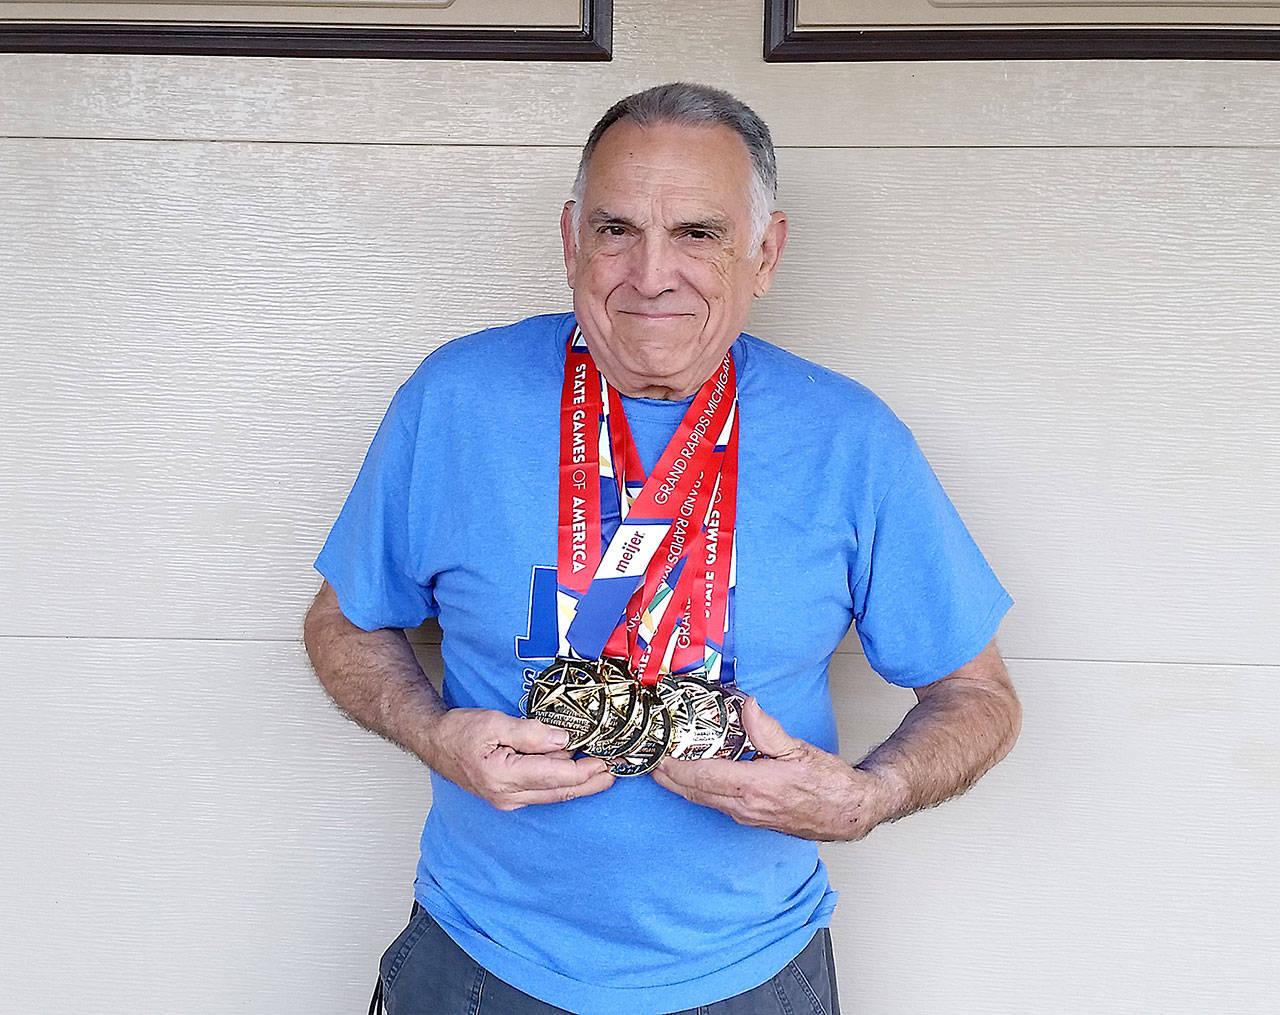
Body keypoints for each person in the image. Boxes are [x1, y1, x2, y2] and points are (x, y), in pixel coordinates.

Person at [304, 82, 1021, 1015]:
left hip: (753, 972)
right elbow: (343, 623)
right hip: (482, 959)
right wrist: (434, 734)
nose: (651, 275)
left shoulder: (852, 441)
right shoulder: (455, 401)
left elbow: (978, 694)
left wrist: (868, 796)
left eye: (698, 233)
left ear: (765, 254)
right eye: (616, 230)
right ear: (571, 241)